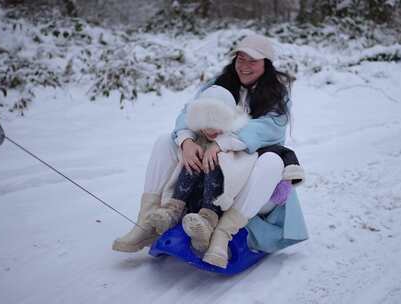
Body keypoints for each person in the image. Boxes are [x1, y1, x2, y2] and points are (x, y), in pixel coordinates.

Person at [112, 34, 308, 269]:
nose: (244, 66)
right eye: (240, 59)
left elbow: (270, 129)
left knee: (273, 161)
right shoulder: (221, 83)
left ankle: (222, 234)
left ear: (266, 63)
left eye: (252, 61)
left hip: (247, 177)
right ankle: (147, 222)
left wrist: (223, 142)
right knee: (165, 141)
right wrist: (186, 140)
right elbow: (190, 112)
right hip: (208, 172)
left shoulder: (276, 93)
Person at [146, 85, 255, 253]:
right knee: (192, 162)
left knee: (213, 164)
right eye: (205, 123)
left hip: (217, 201)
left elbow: (242, 166)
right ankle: (173, 211)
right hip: (193, 198)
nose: (210, 130)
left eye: (216, 123)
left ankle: (207, 222)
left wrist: (222, 155)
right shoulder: (199, 139)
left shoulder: (232, 141)